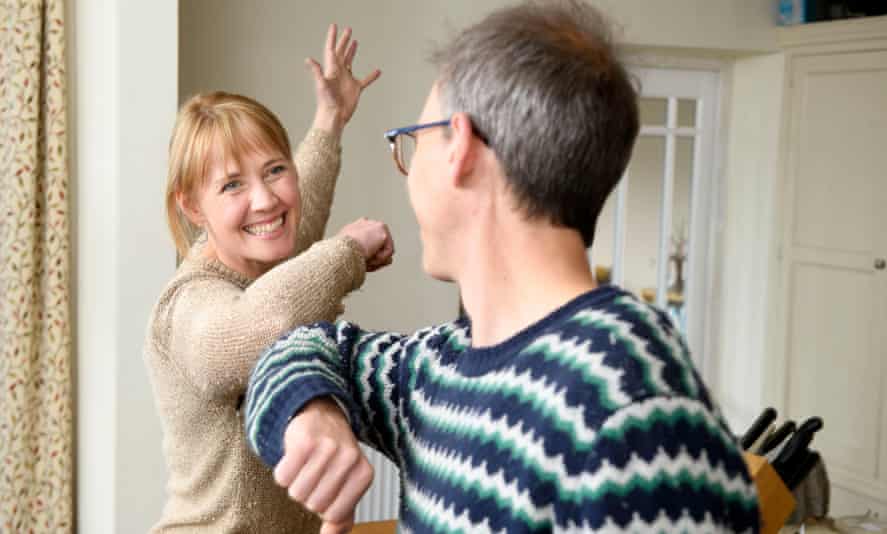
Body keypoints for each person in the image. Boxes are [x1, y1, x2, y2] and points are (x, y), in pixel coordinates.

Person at [243, 2, 761, 533]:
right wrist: (313, 414)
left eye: (413, 142)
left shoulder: (633, 420)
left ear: (460, 148)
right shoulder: (434, 371)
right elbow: (299, 348)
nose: (407, 172)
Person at [143, 24, 394, 533]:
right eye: (232, 184)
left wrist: (330, 119)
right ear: (193, 207)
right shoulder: (188, 303)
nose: (265, 198)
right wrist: (348, 252)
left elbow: (298, 216)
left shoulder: (264, 265)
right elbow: (241, 336)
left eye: (275, 170)